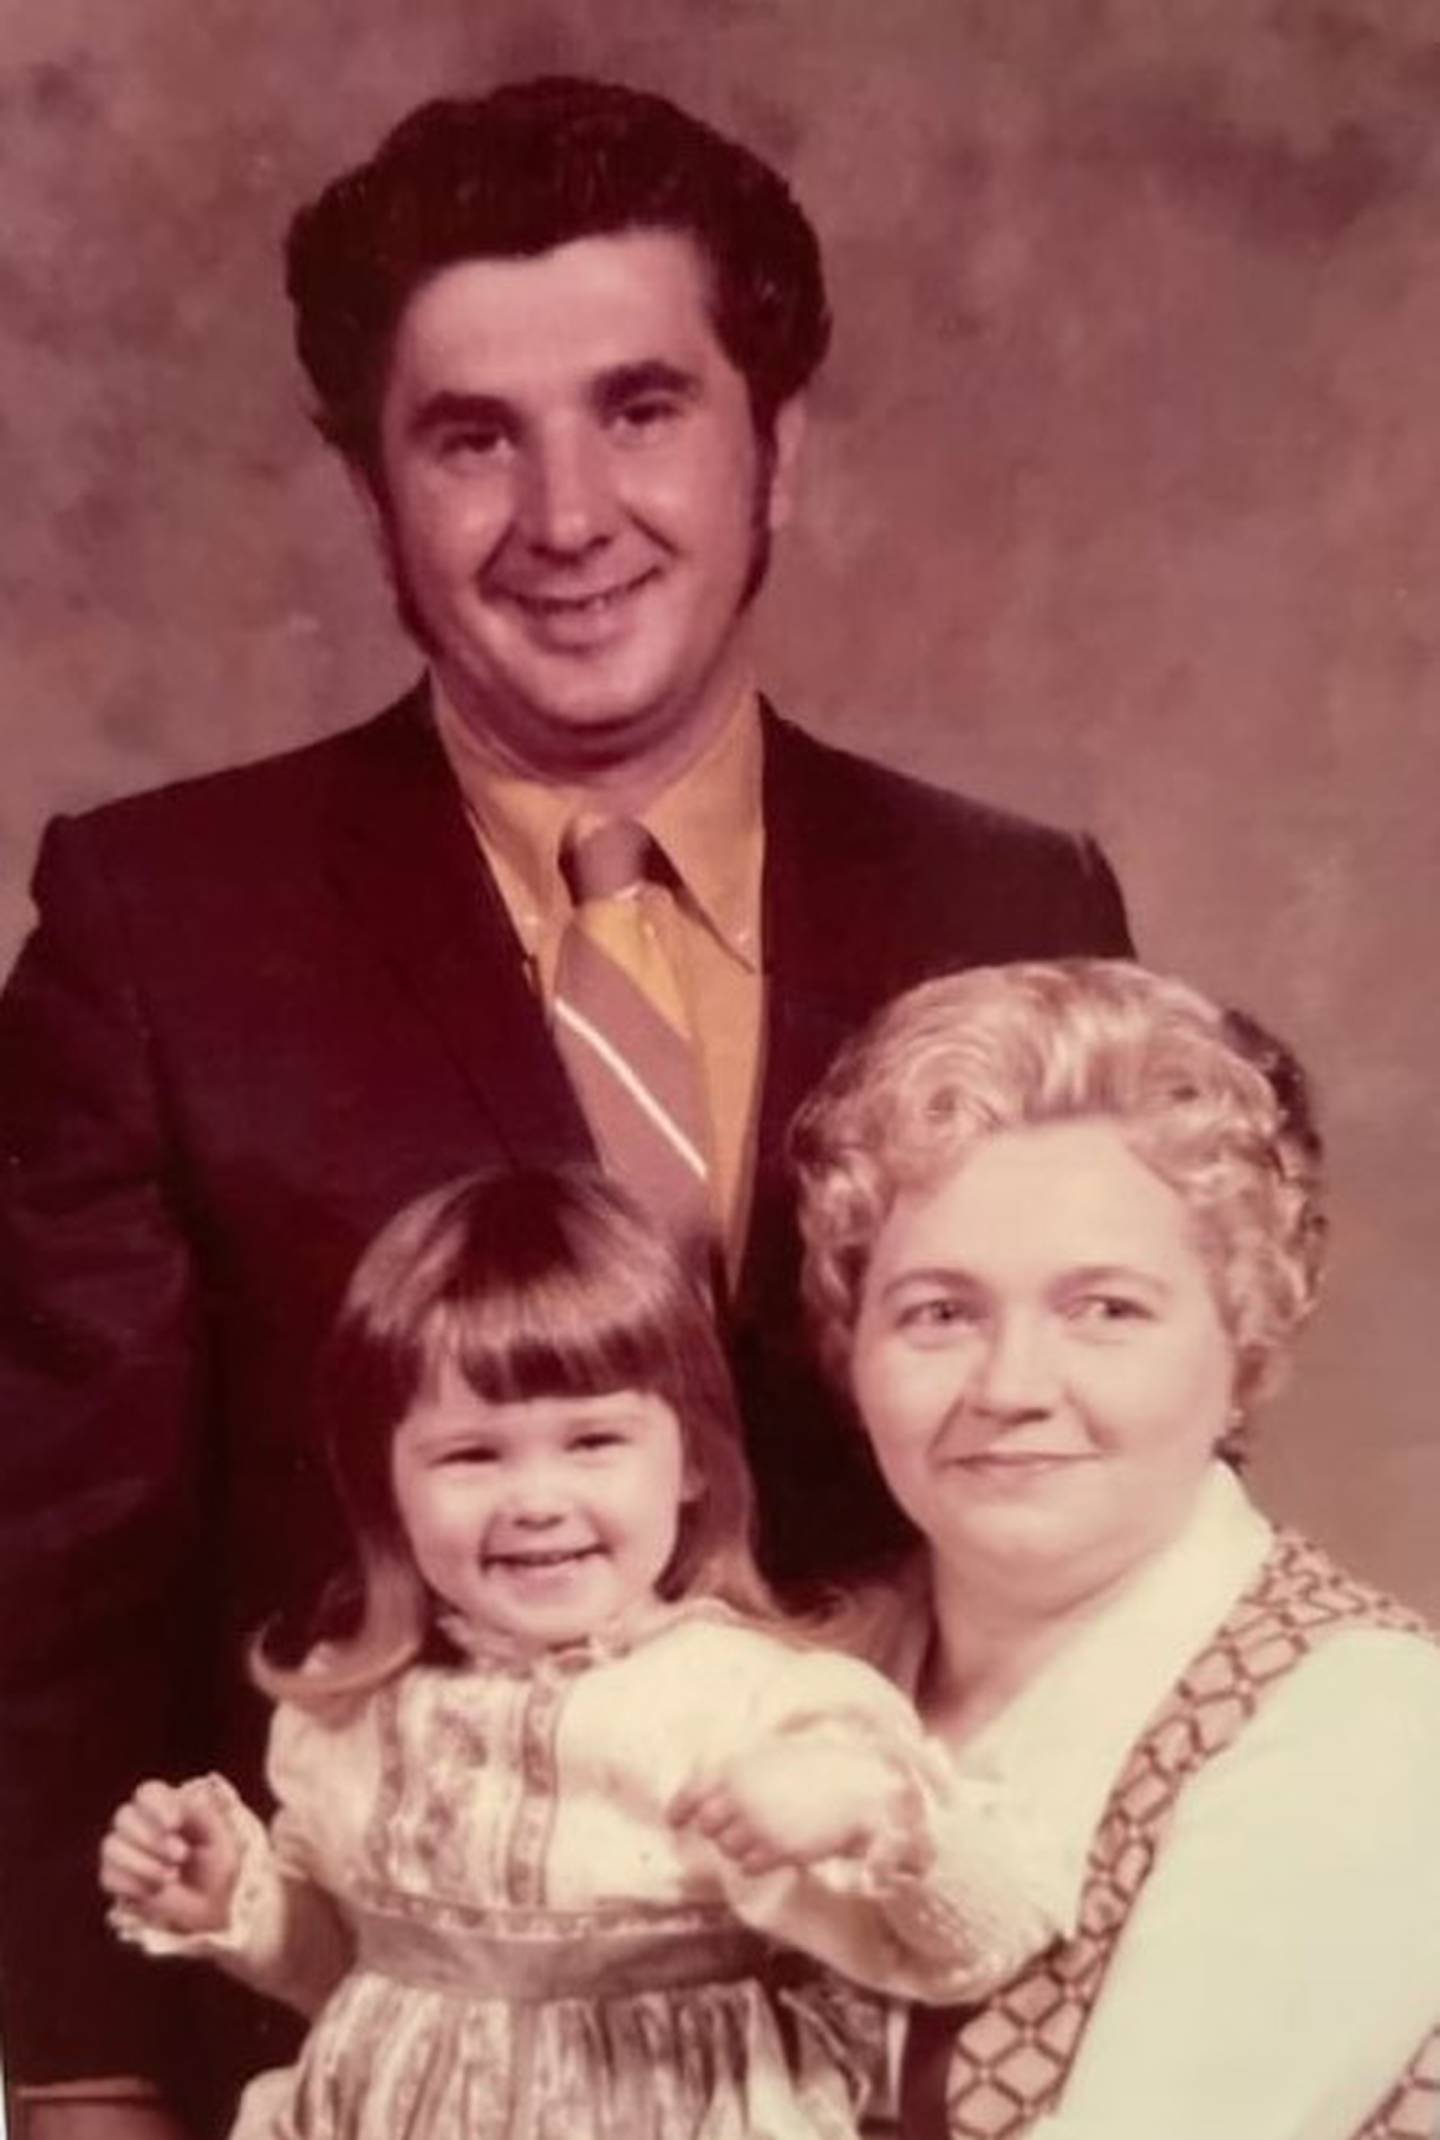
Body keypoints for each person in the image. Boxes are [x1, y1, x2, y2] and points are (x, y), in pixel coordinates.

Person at [0, 78, 1131, 2137]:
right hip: (386, 2054)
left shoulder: (1011, 901)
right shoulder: (161, 920)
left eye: (641, 406)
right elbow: (58, 1573)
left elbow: (1107, 1507)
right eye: (470, 437)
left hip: (933, 2053)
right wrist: (80, 2075)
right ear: (374, 491)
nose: (567, 513)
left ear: (771, 443)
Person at [96, 1167, 1066, 2140]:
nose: (536, 1498)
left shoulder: (765, 1705)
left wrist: (867, 1809)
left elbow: (985, 1943)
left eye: (594, 1440)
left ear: (690, 1458)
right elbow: (358, 1986)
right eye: (473, 1455)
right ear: (387, 1482)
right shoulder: (350, 1712)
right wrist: (238, 1901)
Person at [790, 957, 1440, 2138]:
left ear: (1243, 1337)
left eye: (1107, 1310)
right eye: (940, 1311)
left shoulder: (1362, 1723)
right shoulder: (818, 1678)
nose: (1013, 1386)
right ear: (854, 1343)